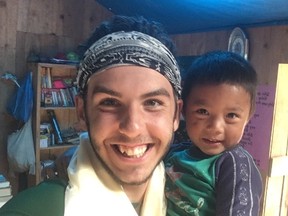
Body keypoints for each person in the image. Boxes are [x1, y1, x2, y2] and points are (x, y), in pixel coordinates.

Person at [0, 15, 183, 216]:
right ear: (82, 113)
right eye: (109, 102)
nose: (132, 128)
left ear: (176, 115)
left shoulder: (200, 194)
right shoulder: (30, 211)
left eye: (153, 103)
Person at [165, 51, 263, 216]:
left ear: (248, 116)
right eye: (203, 111)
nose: (215, 127)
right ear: (183, 110)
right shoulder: (173, 152)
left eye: (231, 115)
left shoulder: (235, 164)